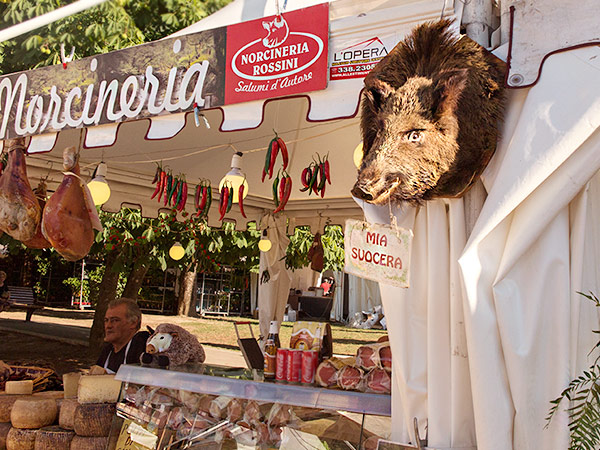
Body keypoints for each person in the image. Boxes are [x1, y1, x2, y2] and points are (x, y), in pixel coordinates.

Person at [95, 298, 150, 374]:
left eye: (115, 320)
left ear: (133, 323)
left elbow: (139, 381)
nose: (108, 326)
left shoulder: (141, 347)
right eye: (106, 320)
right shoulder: (107, 351)